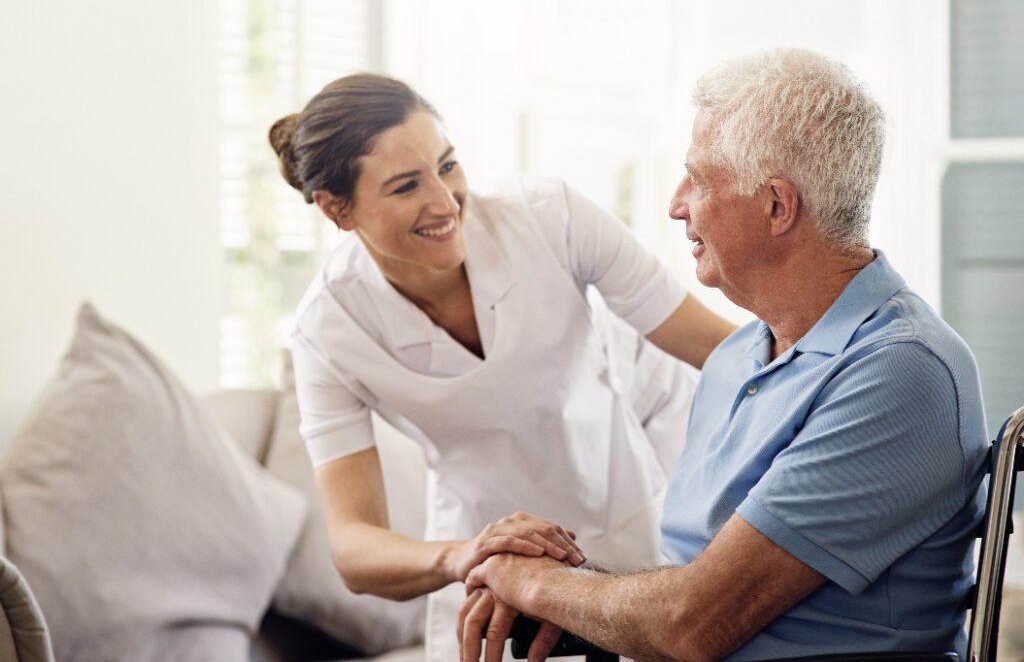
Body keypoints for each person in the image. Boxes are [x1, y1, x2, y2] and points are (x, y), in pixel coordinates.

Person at [459, 47, 989, 662]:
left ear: (776, 206)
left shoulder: (902, 371)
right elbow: (693, 585)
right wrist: (549, 589)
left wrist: (534, 581)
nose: (676, 203)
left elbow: (695, 623)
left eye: (700, 179)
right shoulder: (735, 358)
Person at [268, 73, 736, 662]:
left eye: (447, 166)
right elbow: (353, 549)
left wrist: (840, 376)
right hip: (492, 574)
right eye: (406, 186)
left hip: (627, 528)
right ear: (337, 209)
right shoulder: (328, 330)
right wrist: (464, 555)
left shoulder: (548, 217)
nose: (444, 202)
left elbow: (722, 349)